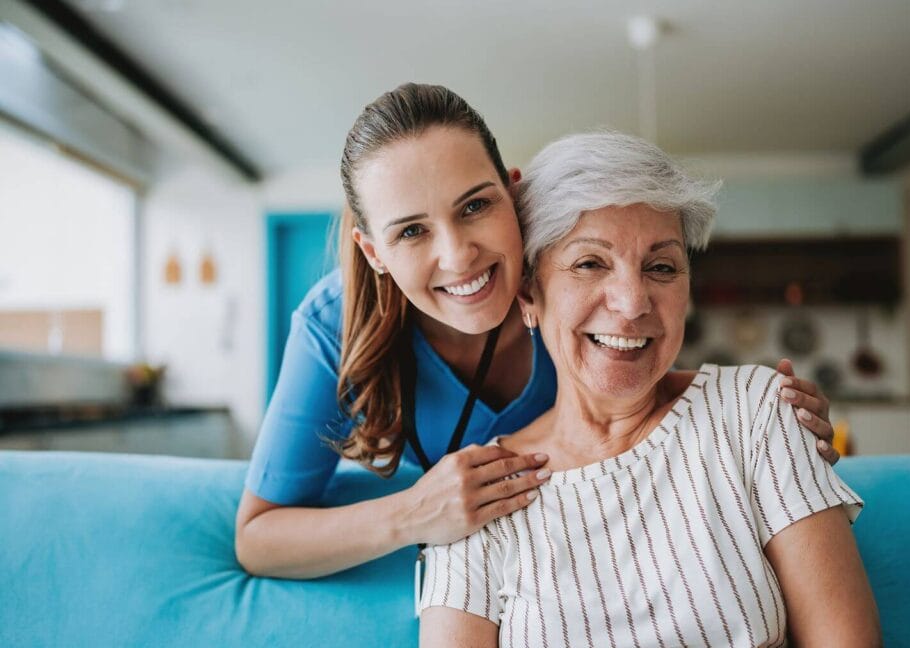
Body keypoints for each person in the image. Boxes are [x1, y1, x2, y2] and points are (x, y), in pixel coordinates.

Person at [234, 83, 839, 579]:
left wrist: (755, 409)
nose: (459, 256)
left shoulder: (564, 279)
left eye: (475, 206)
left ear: (512, 192)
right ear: (374, 253)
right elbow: (258, 537)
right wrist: (415, 514)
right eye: (411, 232)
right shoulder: (333, 323)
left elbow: (630, 380)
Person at [417, 131, 884, 648]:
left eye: (661, 268)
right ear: (528, 296)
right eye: (590, 263)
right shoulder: (478, 492)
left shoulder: (757, 410)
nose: (633, 303)